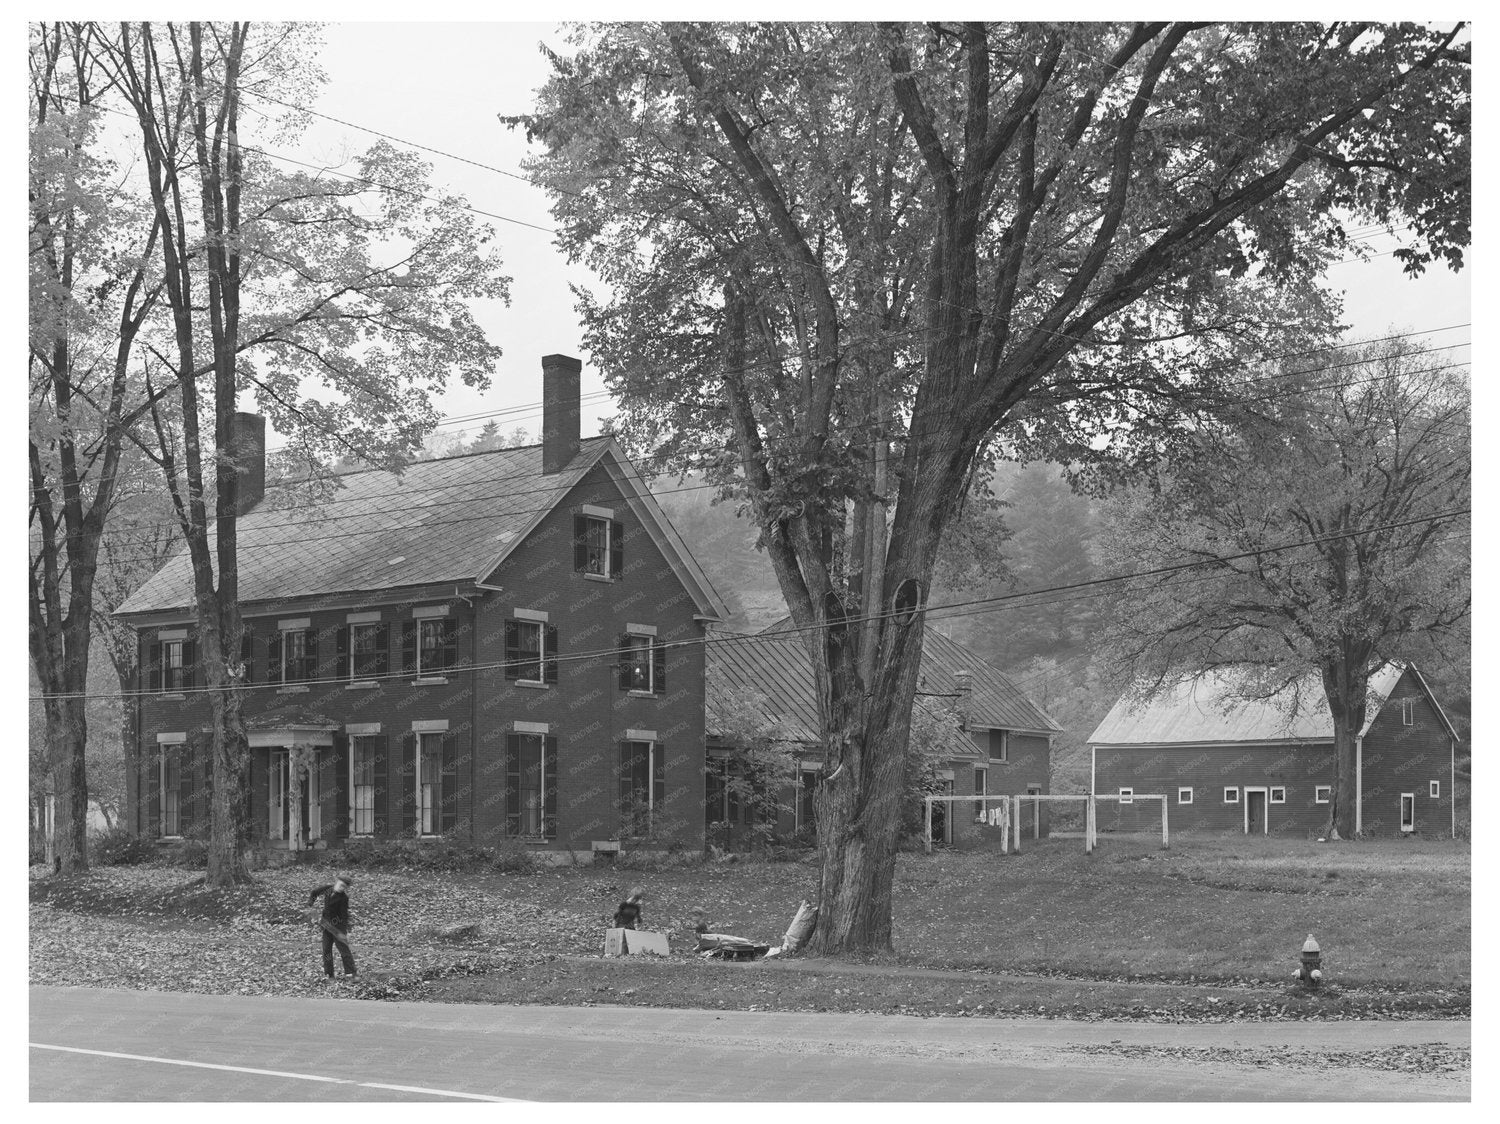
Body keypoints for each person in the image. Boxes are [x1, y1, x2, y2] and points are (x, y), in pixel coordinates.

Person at [307, 875, 357, 980]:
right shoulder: (328, 889)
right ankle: (329, 974)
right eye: (341, 885)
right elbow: (314, 892)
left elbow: (344, 916)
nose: (342, 888)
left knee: (344, 950)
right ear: (336, 882)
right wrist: (310, 904)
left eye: (344, 887)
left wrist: (343, 932)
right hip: (326, 925)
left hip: (337, 928)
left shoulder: (343, 898)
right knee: (326, 950)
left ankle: (351, 973)